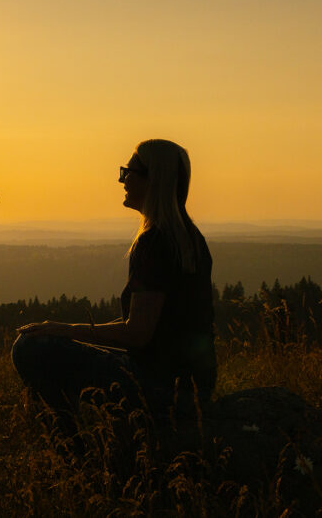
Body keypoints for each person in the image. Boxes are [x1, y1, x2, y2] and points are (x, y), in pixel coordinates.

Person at [11, 139, 216, 422]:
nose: (122, 180)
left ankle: (73, 445)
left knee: (29, 347)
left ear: (151, 180)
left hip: (159, 388)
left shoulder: (154, 243)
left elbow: (137, 335)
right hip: (193, 388)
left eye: (127, 172)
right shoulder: (192, 240)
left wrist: (62, 329)